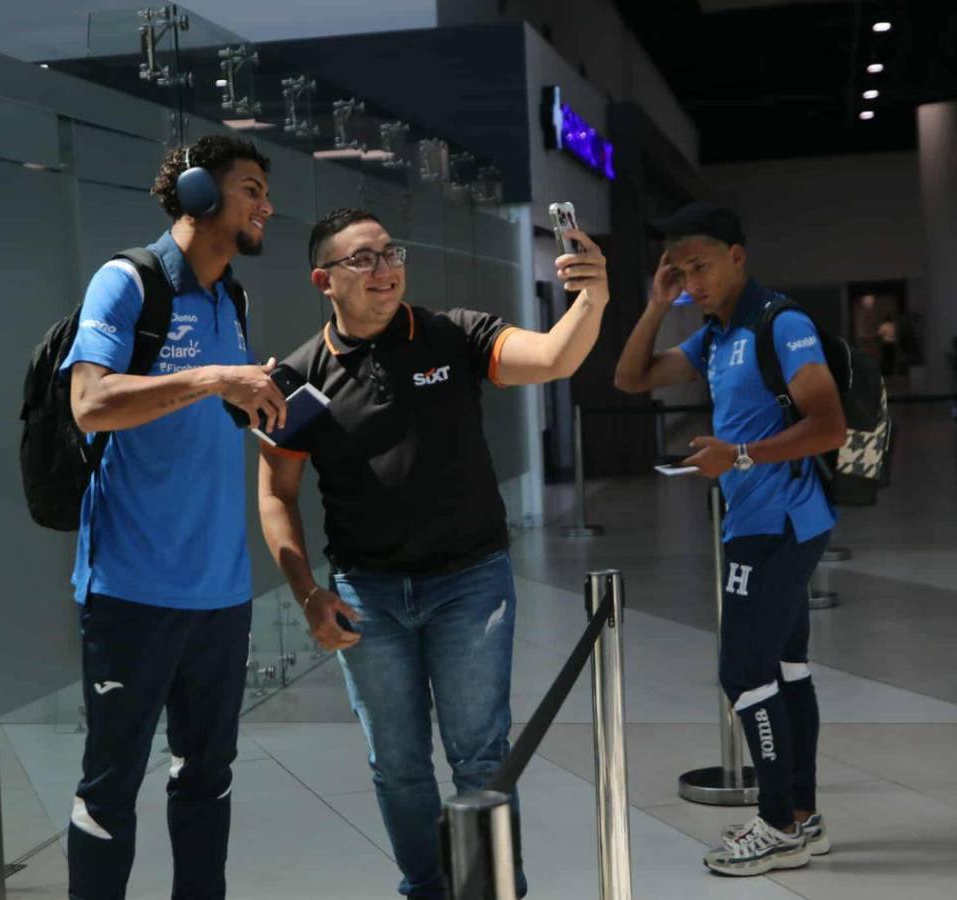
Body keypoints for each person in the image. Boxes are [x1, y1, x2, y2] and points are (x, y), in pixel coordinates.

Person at [256, 208, 610, 899]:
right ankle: (427, 889)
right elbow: (275, 496)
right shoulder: (301, 378)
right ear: (324, 280)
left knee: (480, 757)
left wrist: (592, 297)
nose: (385, 269)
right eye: (363, 259)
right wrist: (308, 593)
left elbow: (555, 357)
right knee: (397, 765)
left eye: (391, 253)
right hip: (367, 596)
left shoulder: (454, 334)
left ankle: (491, 891)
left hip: (470, 584)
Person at [59, 134, 285, 900]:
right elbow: (90, 403)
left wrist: (255, 396)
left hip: (221, 589)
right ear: (199, 194)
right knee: (110, 786)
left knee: (207, 777)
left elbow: (206, 414)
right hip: (131, 586)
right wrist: (213, 377)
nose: (266, 207)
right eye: (252, 189)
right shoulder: (127, 282)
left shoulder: (232, 297)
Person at [615, 202, 847, 878]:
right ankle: (801, 817)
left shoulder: (781, 323)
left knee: (743, 672)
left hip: (779, 523)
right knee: (788, 667)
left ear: (737, 256)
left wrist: (738, 456)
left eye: (702, 268)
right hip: (760, 517)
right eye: (680, 272)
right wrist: (657, 305)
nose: (694, 283)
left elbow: (829, 425)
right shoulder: (714, 334)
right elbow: (630, 378)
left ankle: (776, 824)